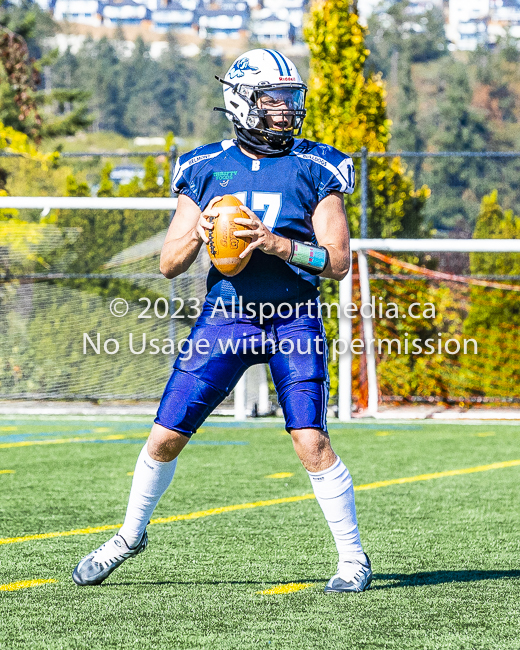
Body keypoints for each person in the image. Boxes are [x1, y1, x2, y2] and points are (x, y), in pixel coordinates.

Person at [72, 49, 372, 593]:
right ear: (242, 102)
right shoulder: (204, 166)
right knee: (164, 437)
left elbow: (338, 260)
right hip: (226, 318)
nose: (286, 110)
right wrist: (202, 230)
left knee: (311, 440)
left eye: (290, 98)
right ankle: (129, 535)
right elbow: (168, 264)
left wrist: (277, 244)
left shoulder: (318, 165)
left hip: (292, 317)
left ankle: (352, 559)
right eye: (273, 99)